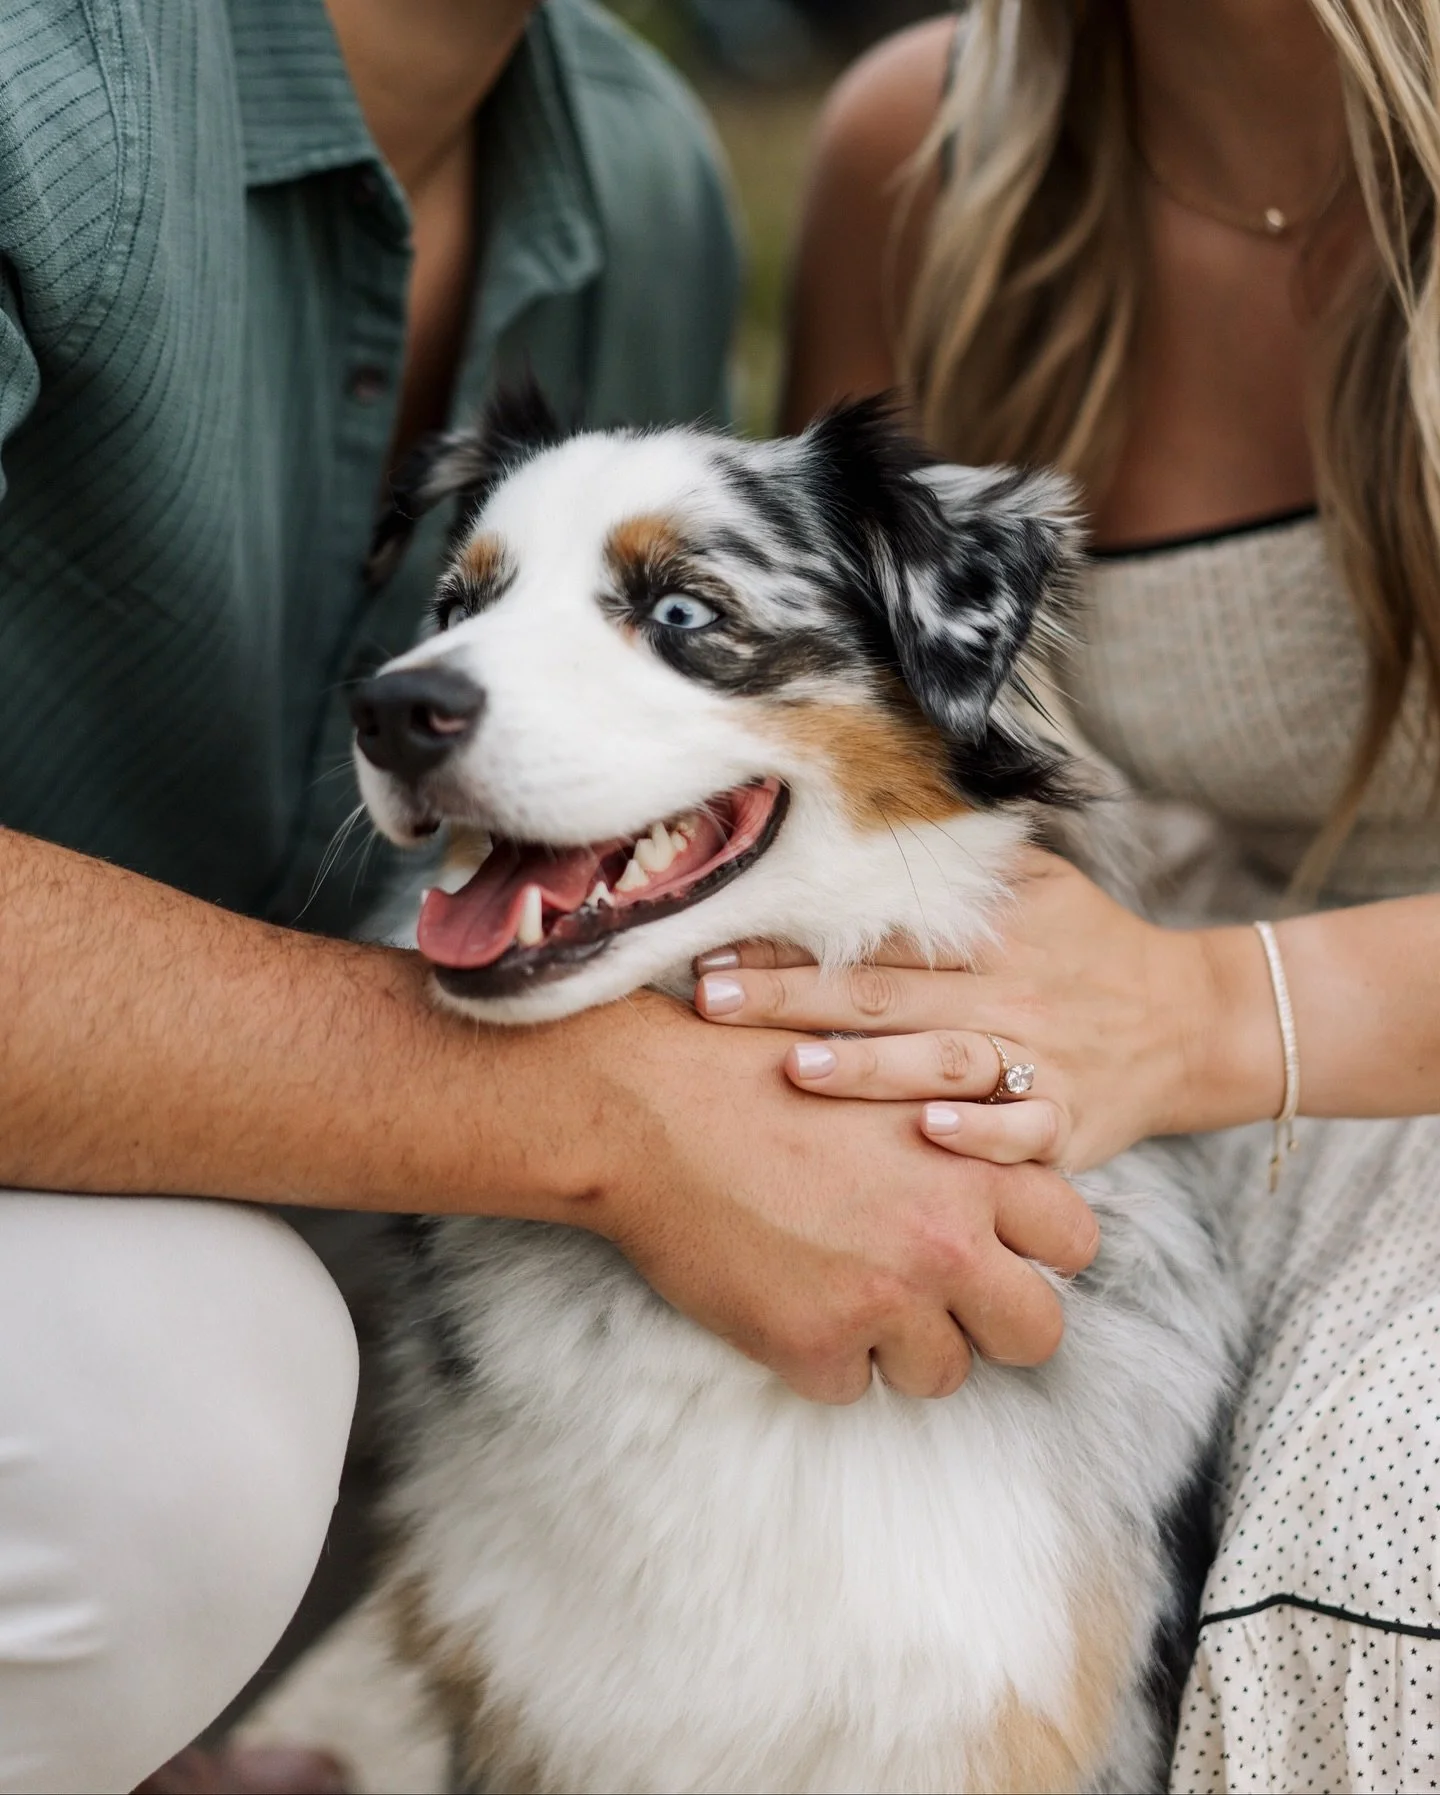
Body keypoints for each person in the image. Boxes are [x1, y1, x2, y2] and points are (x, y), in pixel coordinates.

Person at [0, 2, 1103, 1790]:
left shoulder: (637, 161)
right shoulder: (45, 80)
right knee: (188, 1404)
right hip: (125, 1267)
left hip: (201, 1147)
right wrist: (602, 1119)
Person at [695, 0, 1440, 1787]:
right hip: (1097, 1033)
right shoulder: (923, 155)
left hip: (1318, 1041)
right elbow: (860, 759)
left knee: (1381, 1501)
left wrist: (1203, 1015)